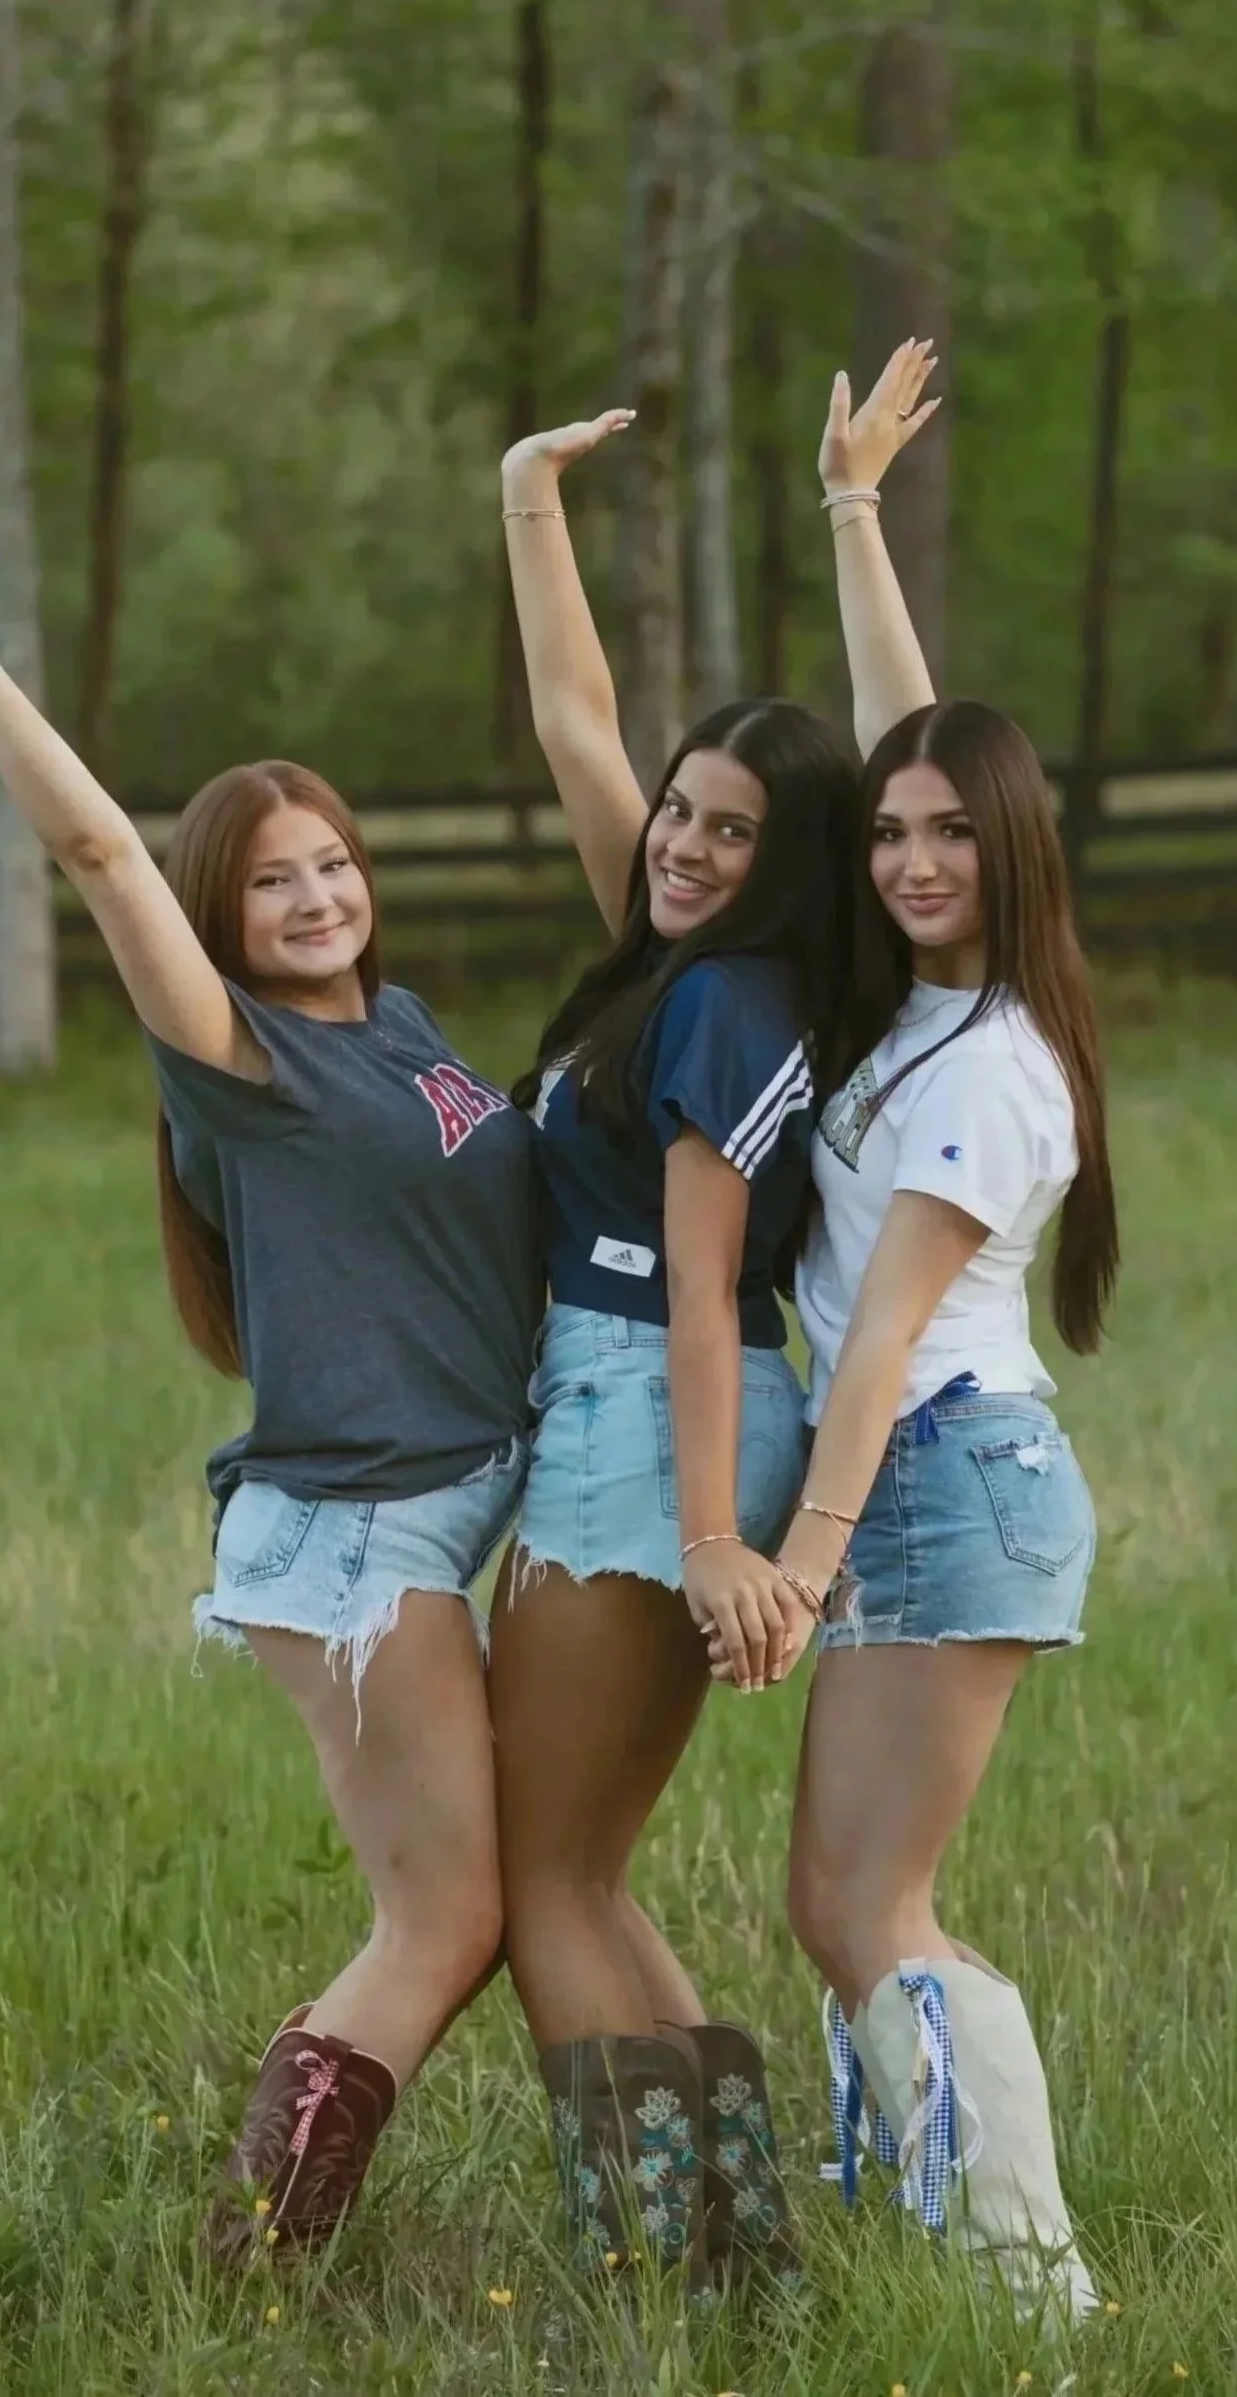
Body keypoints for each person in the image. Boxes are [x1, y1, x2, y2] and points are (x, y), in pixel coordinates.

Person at [0, 593, 543, 2266]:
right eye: (273, 879)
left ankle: (265, 2244)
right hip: (356, 1532)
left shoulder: (403, 1026)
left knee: (489, 1903)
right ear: (222, 911)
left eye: (333, 862)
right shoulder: (236, 1055)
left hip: (441, 1510)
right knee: (447, 1920)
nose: (316, 895)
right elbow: (97, 853)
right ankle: (250, 2256)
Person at [490, 342, 942, 2287]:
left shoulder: (728, 1009)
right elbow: (575, 723)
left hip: (646, 1424)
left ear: (792, 862)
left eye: (731, 830)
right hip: (642, 1417)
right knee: (578, 1869)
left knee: (536, 1880)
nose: (679, 841)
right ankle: (735, 2256)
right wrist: (530, 498)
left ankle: (655, 2273)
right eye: (682, 810)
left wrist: (703, 1540)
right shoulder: (678, 961)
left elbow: (697, 1287)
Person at [721, 384, 1118, 2323]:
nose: (907, 858)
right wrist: (851, 511)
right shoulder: (929, 1012)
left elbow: (877, 1338)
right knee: (837, 1902)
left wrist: (796, 1567)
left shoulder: (987, 1069)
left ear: (1014, 842)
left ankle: (1034, 2293)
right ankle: (937, 2249)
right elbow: (911, 729)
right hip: (928, 1474)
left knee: (868, 1906)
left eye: (953, 833)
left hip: (942, 1471)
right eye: (890, 835)